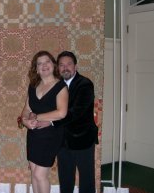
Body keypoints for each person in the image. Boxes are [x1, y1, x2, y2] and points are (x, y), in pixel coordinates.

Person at [39, 51, 98, 193]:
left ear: (75, 66)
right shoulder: (56, 86)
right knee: (65, 180)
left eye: (69, 64)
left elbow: (75, 113)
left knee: (87, 181)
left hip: (83, 140)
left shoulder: (85, 84)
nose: (65, 68)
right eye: (61, 65)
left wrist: (51, 123)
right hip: (62, 141)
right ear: (57, 68)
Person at [20, 50, 69, 193]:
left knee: (40, 175)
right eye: (39, 63)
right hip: (34, 135)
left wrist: (36, 117)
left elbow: (61, 113)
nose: (44, 65)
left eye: (47, 61)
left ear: (53, 65)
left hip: (51, 136)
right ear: (36, 68)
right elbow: (27, 109)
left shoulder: (61, 86)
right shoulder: (33, 86)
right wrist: (25, 121)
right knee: (34, 174)